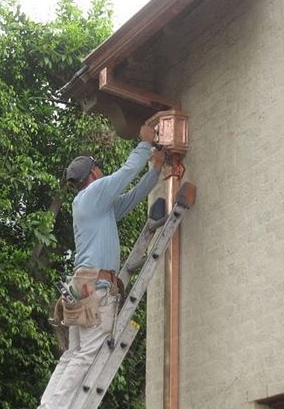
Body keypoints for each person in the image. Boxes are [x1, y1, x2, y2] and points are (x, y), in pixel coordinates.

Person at [38, 124, 164, 408]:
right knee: (85, 355)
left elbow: (131, 198)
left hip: (82, 286)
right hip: (96, 288)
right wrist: (145, 144)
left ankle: (48, 405)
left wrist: (155, 171)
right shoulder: (94, 194)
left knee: (73, 353)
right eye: (99, 169)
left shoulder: (93, 205)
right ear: (93, 173)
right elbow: (125, 175)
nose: (103, 172)